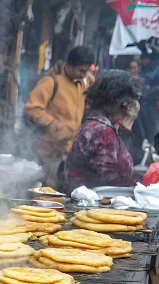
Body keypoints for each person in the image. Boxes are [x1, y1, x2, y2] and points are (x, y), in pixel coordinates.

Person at [25, 46, 95, 188]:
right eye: (81, 70)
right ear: (69, 65)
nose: (84, 74)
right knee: (46, 188)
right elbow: (32, 108)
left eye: (86, 70)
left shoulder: (85, 81)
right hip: (47, 149)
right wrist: (54, 125)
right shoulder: (51, 82)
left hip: (69, 149)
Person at [63, 70, 141, 192]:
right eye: (131, 99)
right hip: (96, 207)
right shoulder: (103, 132)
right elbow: (109, 182)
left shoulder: (98, 126)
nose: (134, 105)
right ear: (119, 102)